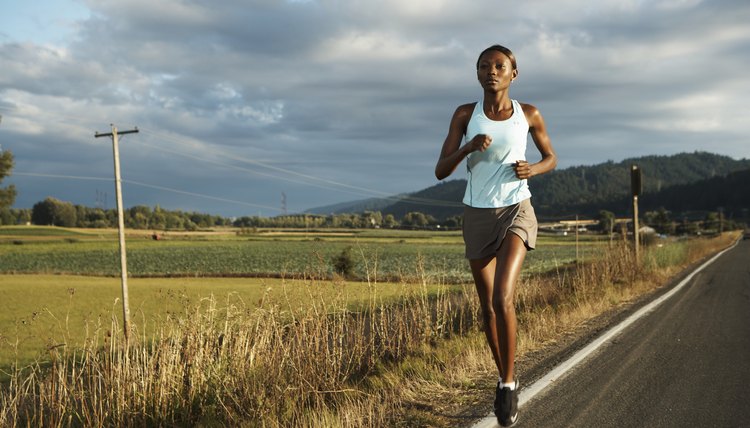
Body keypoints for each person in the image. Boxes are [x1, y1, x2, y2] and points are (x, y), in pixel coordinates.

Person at [434, 44, 557, 427]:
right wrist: (468, 147)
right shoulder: (464, 115)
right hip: (477, 214)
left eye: (499, 66)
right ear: (477, 74)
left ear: (513, 74)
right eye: (484, 66)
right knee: (487, 306)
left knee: (504, 296)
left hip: (517, 209)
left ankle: (506, 384)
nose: (492, 71)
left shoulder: (529, 114)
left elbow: (551, 157)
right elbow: (440, 170)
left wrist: (533, 170)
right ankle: (506, 373)